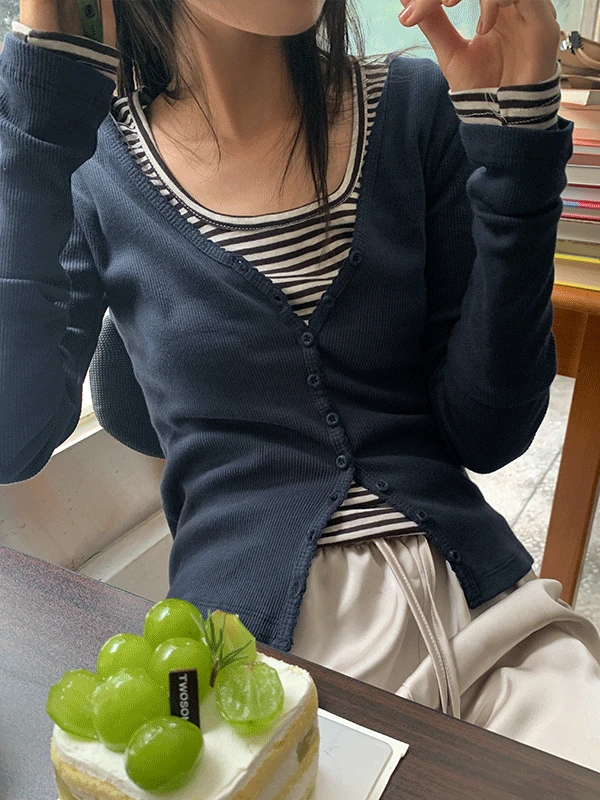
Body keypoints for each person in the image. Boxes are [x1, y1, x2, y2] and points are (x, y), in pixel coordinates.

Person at [2, 0, 600, 772]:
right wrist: (39, 114)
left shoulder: (415, 105)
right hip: (262, 663)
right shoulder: (91, 162)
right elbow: (14, 438)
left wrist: (517, 141)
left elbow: (488, 432)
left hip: (493, 621)